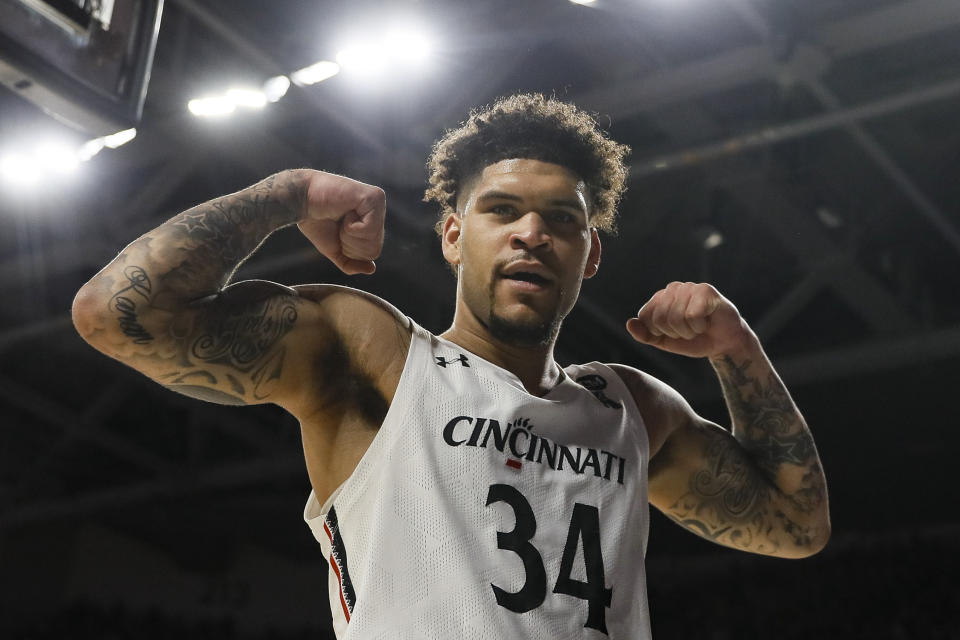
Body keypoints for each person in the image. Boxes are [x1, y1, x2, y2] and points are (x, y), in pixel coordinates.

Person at [72, 93, 830, 638]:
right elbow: (116, 314)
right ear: (453, 236)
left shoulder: (631, 408)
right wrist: (286, 194)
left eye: (561, 220)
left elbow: (798, 528)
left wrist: (738, 352)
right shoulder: (374, 354)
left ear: (588, 253)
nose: (531, 233)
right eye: (502, 211)